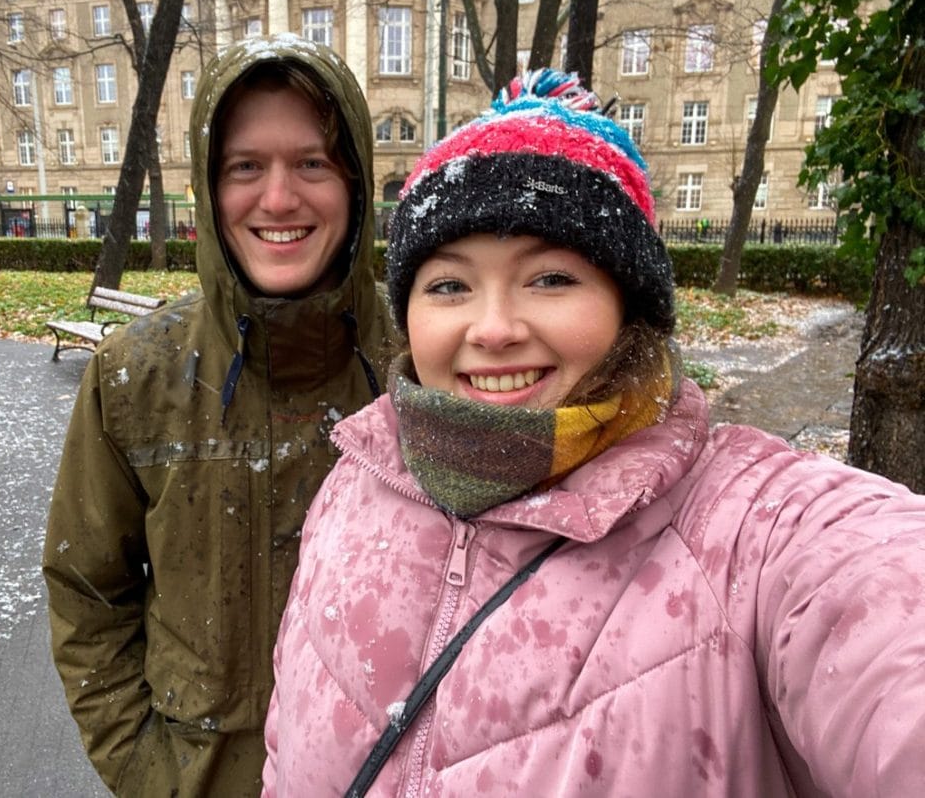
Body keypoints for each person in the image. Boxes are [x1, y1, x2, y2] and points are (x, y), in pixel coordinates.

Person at [263, 69, 925, 795]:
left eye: (550, 279)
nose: (492, 329)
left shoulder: (748, 533)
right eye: (449, 285)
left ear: (626, 304)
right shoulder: (356, 482)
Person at [43, 35, 396, 796]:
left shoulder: (421, 366)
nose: (278, 199)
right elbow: (88, 589)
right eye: (246, 166)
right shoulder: (136, 377)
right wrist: (148, 774)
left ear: (356, 183)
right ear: (210, 187)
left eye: (312, 163)